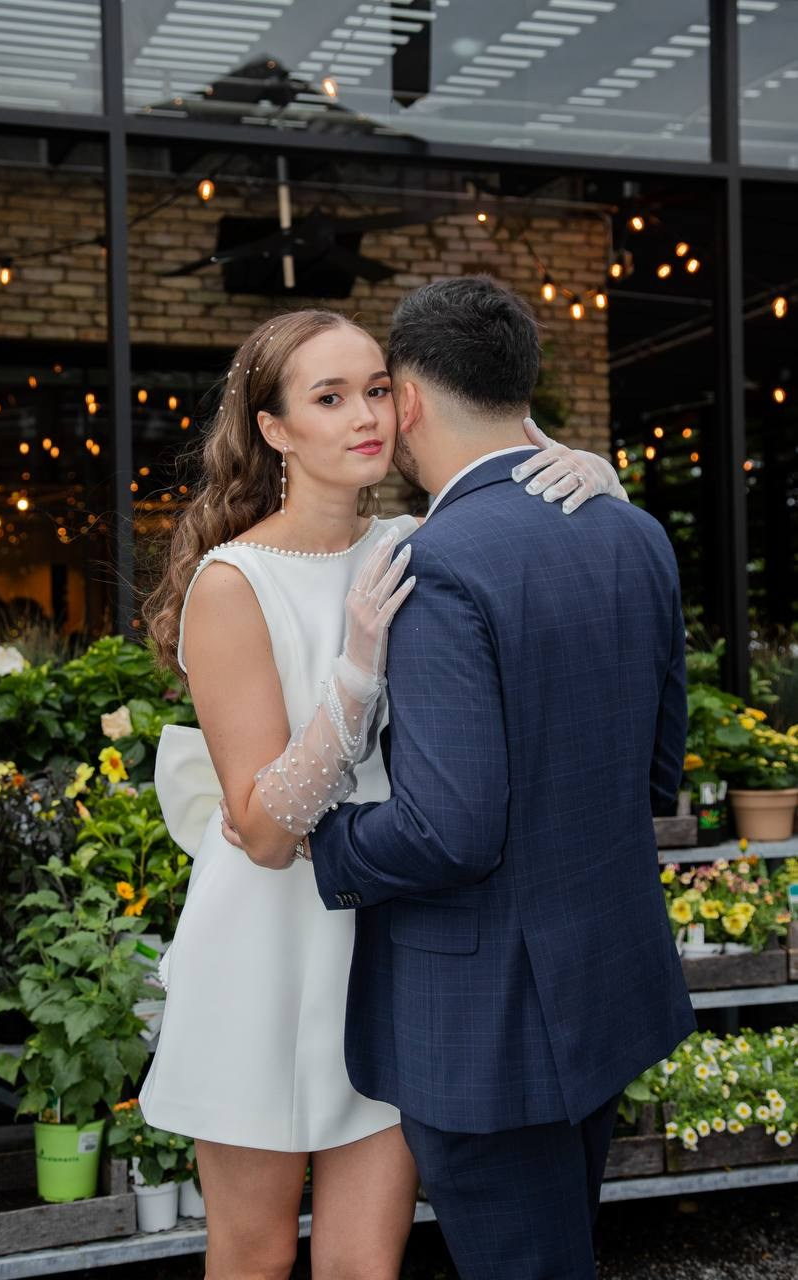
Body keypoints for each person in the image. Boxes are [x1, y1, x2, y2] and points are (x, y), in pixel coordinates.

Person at [141, 302, 627, 1280]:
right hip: (265, 949)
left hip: (396, 948)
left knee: (367, 1262)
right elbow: (262, 831)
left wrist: (592, 479)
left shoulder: (421, 540)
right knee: (255, 1254)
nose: (366, 416)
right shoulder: (234, 583)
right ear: (275, 428)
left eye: (374, 389)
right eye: (329, 397)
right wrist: (356, 677)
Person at [256, 278, 695, 1280]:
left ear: (409, 400)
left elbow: (448, 830)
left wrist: (324, 837)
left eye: (381, 392)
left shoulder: (438, 561)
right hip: (601, 986)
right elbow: (656, 774)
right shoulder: (632, 530)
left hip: (487, 1027)